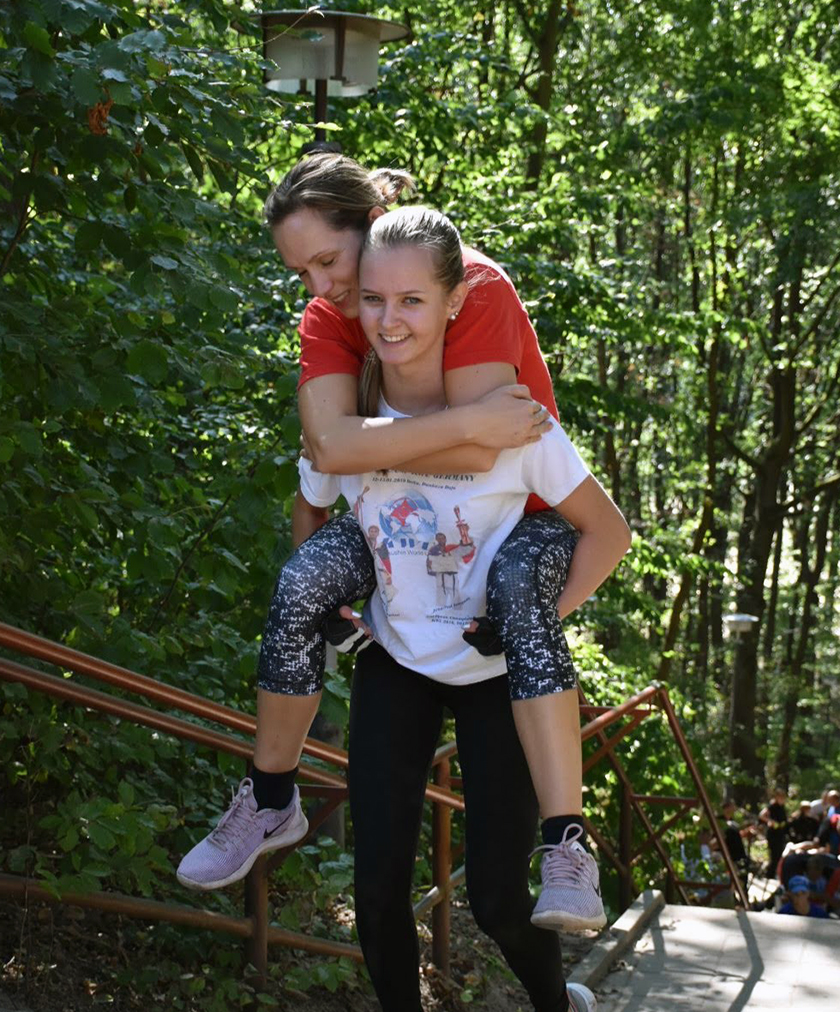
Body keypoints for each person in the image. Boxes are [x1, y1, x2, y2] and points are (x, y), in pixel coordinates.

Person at [177, 152, 615, 933]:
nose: (321, 289)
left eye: (328, 261)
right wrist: (418, 437)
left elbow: (481, 457)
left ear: (375, 230)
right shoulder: (332, 317)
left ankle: (567, 844)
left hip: (518, 519)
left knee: (495, 888)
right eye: (301, 272)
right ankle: (270, 798)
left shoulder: (472, 287)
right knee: (301, 582)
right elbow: (332, 455)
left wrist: (360, 444)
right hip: (403, 524)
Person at [297, 204, 629, 1012]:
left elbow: (607, 531)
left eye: (412, 300)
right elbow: (313, 501)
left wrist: (531, 622)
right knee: (378, 877)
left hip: (495, 678)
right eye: (373, 301)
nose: (388, 319)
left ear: (455, 305)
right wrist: (334, 605)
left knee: (496, 898)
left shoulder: (513, 419)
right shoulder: (357, 422)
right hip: (398, 659)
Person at [759, 788, 789, 879]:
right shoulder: (772, 806)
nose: (782, 799)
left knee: (780, 854)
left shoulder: (782, 807)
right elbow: (761, 815)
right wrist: (771, 821)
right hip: (773, 834)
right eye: (780, 797)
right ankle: (769, 875)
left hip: (781, 834)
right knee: (774, 855)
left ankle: (775, 873)